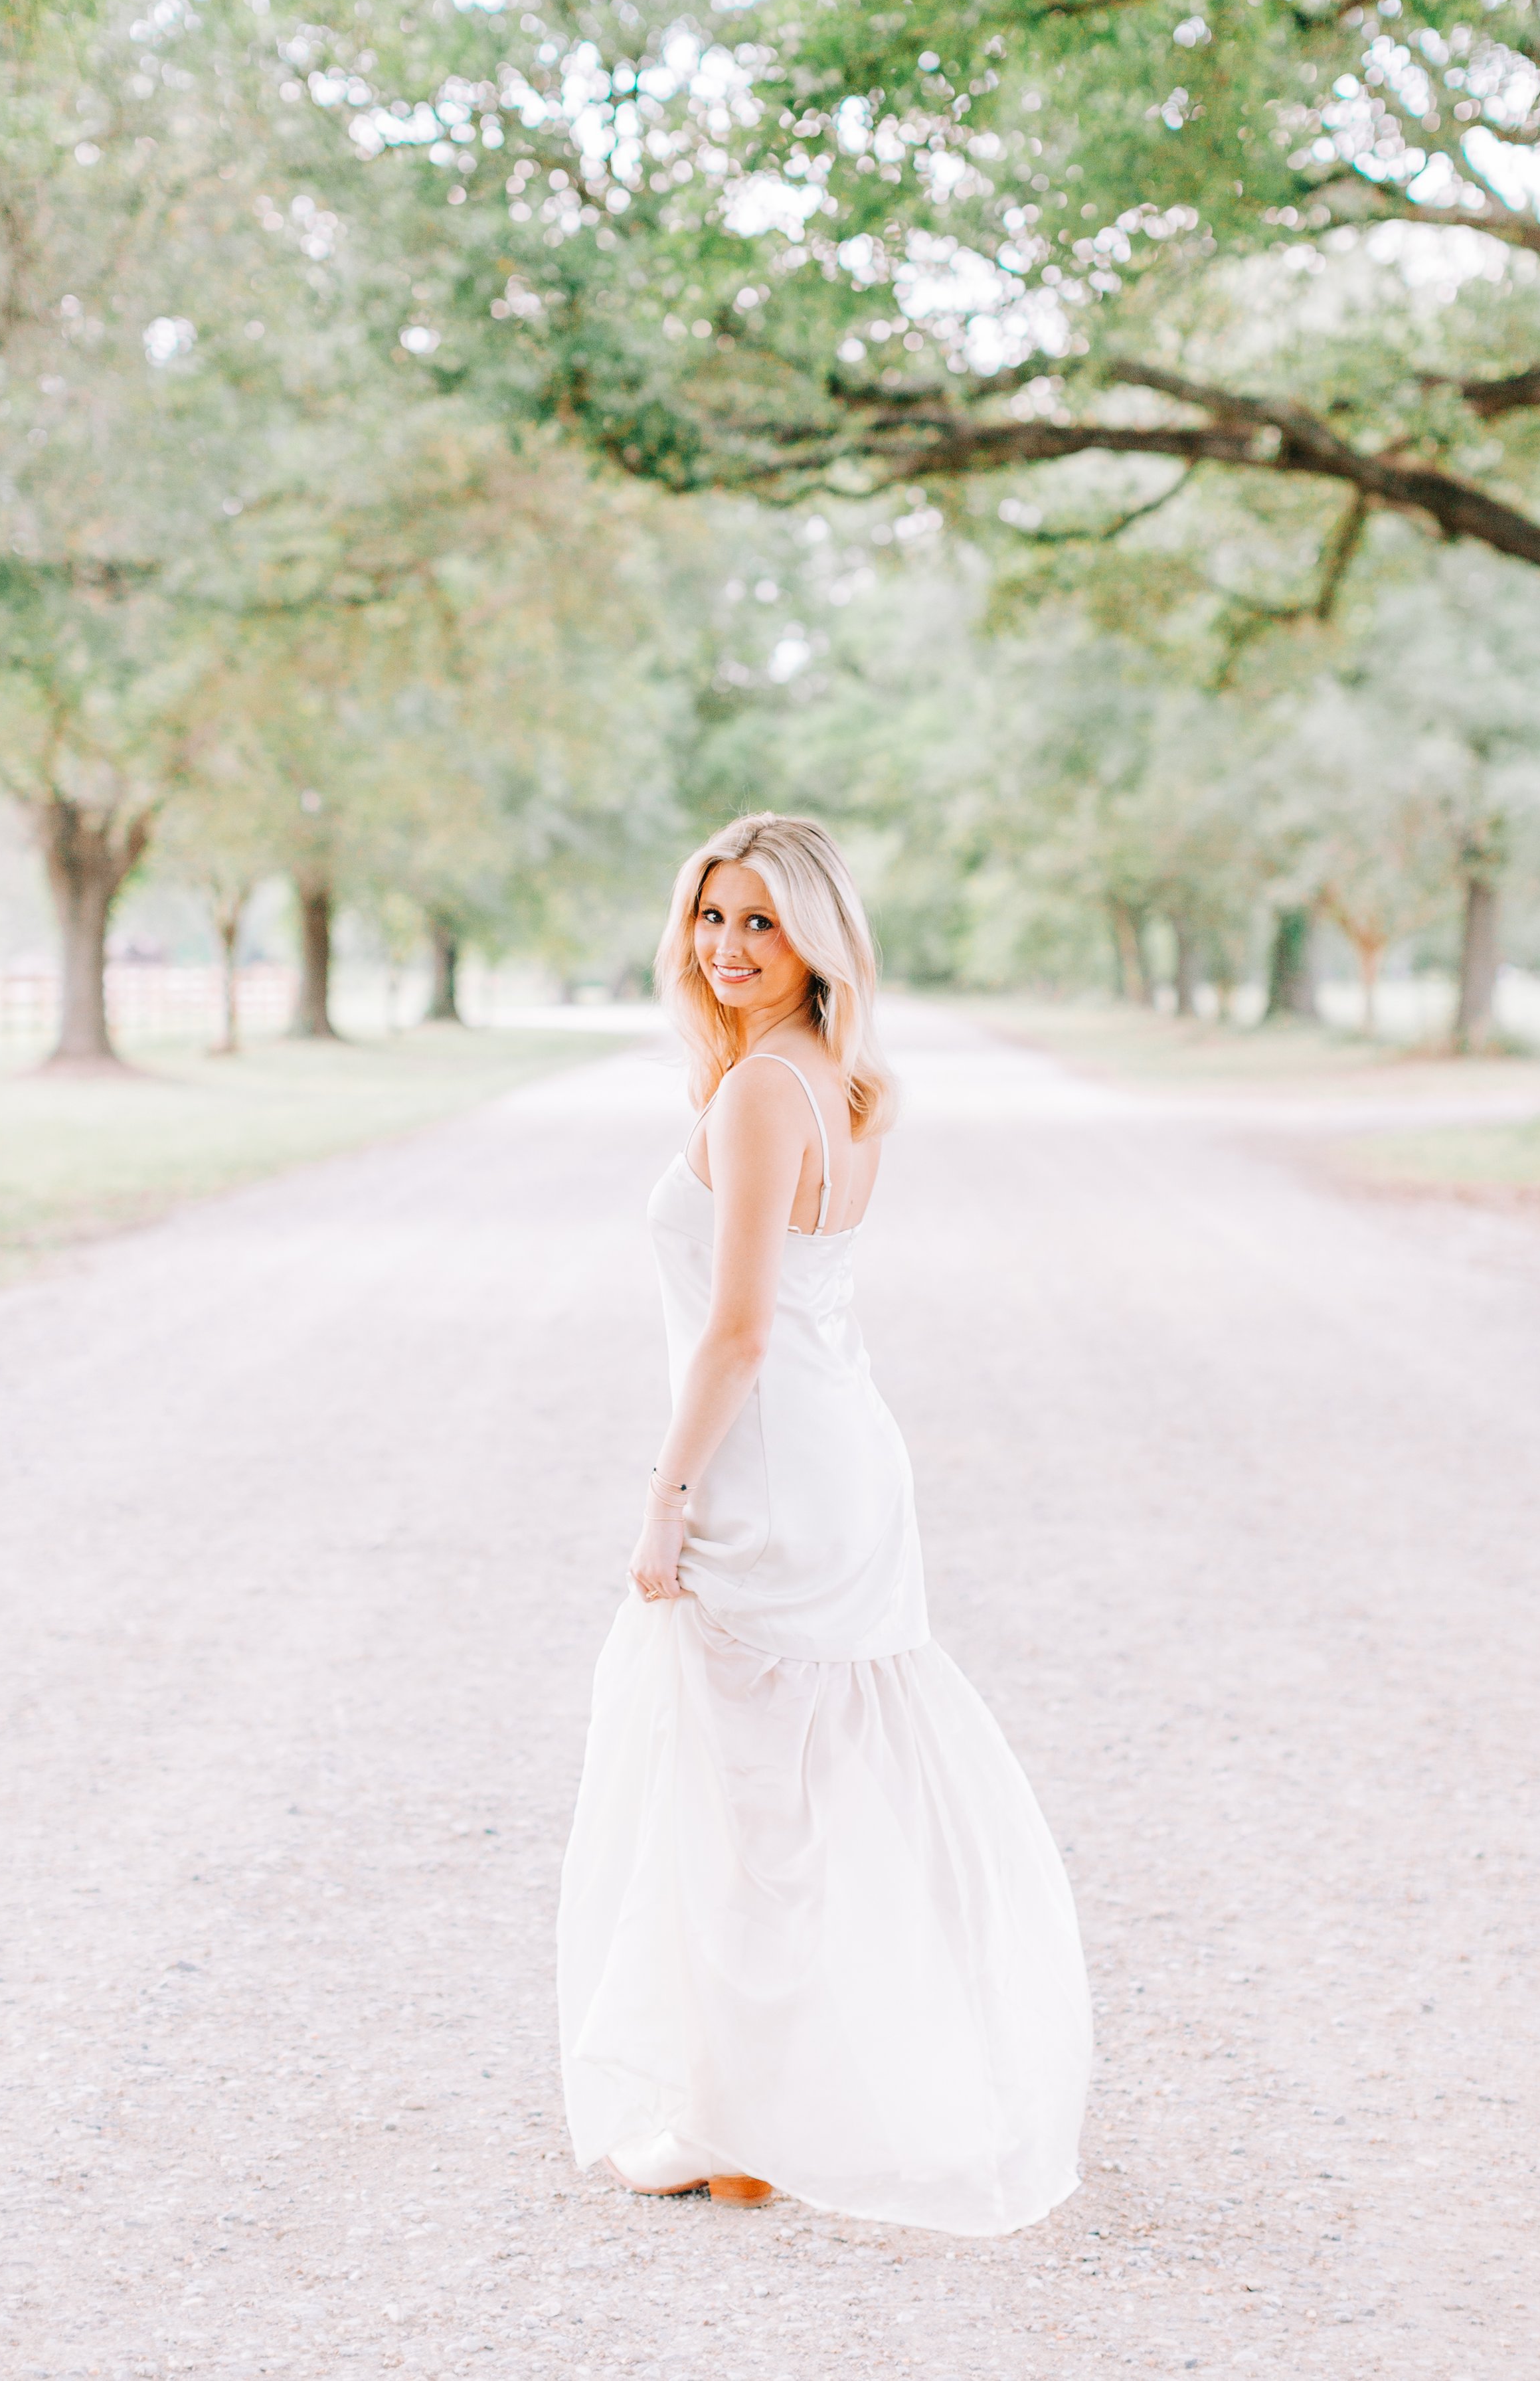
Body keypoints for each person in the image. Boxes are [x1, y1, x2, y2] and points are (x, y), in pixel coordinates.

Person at [556, 812, 1092, 2234]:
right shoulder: (843, 1084)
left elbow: (734, 1336)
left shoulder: (755, 1100)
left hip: (768, 1471)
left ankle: (741, 2130)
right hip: (844, 1461)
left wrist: (662, 1503)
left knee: (742, 1807)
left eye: (761, 923)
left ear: (816, 941)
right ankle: (764, 2108)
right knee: (791, 1799)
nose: (726, 948)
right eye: (709, 918)